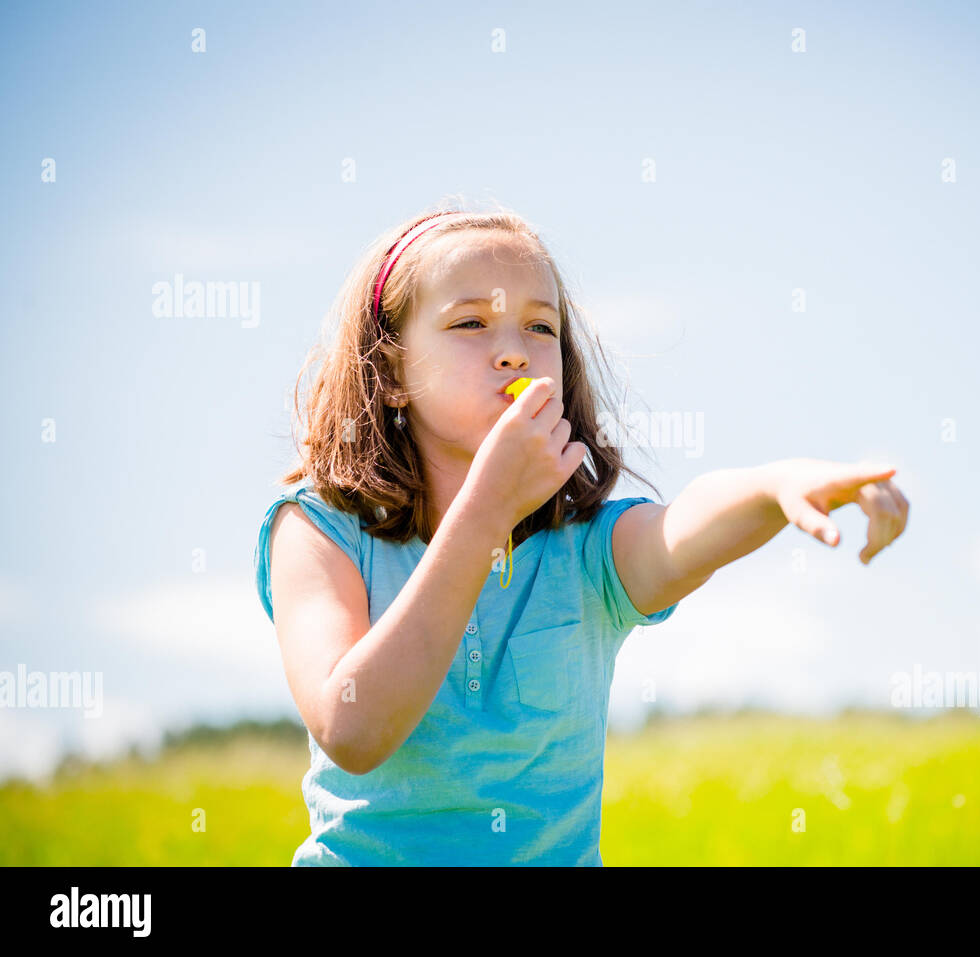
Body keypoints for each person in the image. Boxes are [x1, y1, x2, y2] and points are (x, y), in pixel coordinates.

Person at [254, 201, 909, 865]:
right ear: (392, 372)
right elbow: (354, 728)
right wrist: (485, 514)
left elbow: (683, 526)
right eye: (470, 322)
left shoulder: (587, 551)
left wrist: (774, 483)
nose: (513, 350)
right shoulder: (317, 529)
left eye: (540, 326)